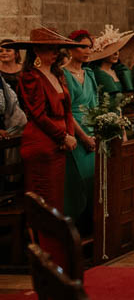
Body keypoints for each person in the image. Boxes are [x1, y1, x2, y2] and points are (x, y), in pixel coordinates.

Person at [3, 29, 84, 211]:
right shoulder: (31, 77)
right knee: (44, 199)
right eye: (50, 49)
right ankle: (40, 239)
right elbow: (39, 116)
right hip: (41, 145)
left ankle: (55, 237)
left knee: (56, 198)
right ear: (37, 51)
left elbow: (67, 111)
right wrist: (63, 136)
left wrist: (70, 134)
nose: (56, 53)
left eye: (57, 49)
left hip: (59, 145)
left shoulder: (58, 74)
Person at [62, 31, 99, 222]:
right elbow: (65, 111)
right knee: (77, 184)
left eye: (89, 47)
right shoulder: (62, 74)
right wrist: (84, 137)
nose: (87, 51)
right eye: (82, 46)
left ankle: (91, 227)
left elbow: (96, 106)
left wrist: (99, 131)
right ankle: (74, 225)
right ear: (70, 48)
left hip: (92, 131)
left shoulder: (89, 73)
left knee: (94, 182)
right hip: (74, 131)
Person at [87, 26, 134, 95]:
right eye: (112, 51)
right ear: (103, 53)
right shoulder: (98, 73)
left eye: (118, 50)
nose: (116, 53)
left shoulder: (119, 71)